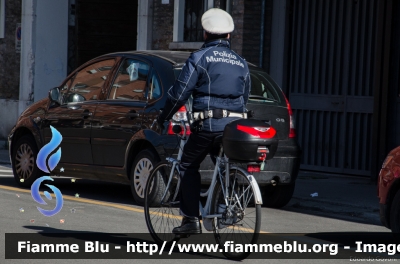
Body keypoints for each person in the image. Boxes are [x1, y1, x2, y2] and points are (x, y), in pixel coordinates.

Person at [156, 8, 251, 234]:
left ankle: (190, 220)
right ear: (228, 36)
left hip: (208, 125)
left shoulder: (200, 58)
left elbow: (180, 93)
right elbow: (244, 97)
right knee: (226, 161)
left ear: (205, 34)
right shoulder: (241, 62)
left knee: (188, 164)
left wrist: (164, 117)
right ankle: (223, 204)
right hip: (233, 128)